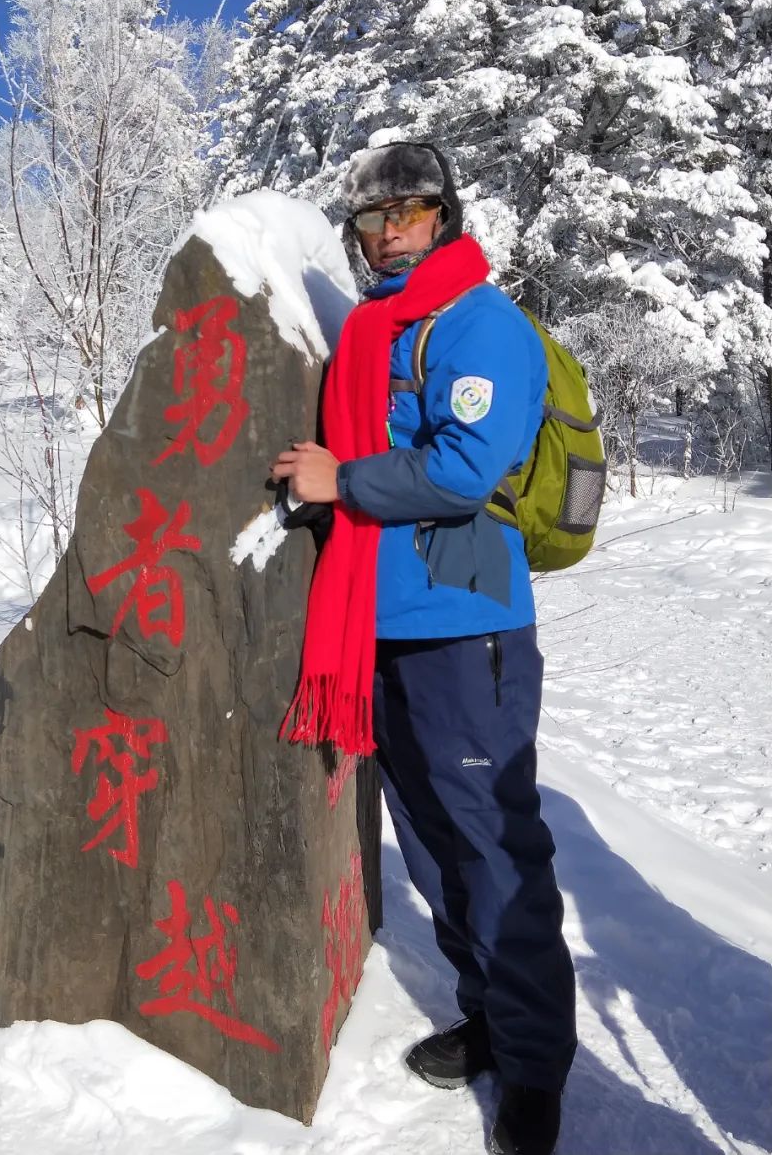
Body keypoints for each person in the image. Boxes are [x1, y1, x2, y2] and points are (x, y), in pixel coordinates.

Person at [271, 141, 576, 1155]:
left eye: (410, 210)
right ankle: (490, 1013)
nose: (392, 228)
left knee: (492, 843)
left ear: (444, 215)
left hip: (469, 630)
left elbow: (462, 467)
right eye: (374, 217)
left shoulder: (481, 323)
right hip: (389, 631)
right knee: (442, 846)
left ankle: (534, 1064)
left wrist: (341, 479)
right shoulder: (378, 328)